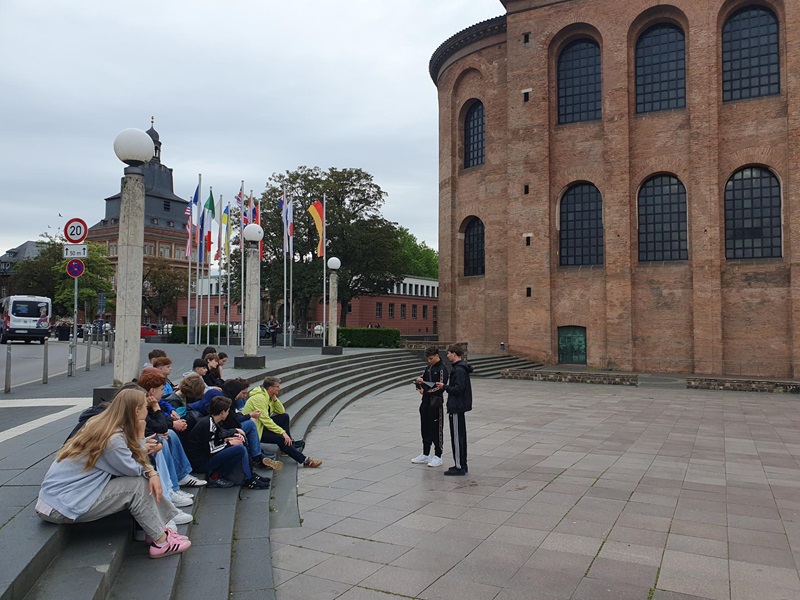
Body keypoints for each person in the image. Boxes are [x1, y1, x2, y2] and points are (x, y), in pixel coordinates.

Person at [35, 388, 192, 559]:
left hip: (58, 498)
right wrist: (142, 441)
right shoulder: (113, 439)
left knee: (141, 480)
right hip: (62, 505)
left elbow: (125, 457)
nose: (147, 412)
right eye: (145, 407)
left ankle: (159, 529)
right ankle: (161, 542)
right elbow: (134, 469)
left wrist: (141, 449)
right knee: (137, 485)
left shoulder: (101, 424)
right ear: (136, 411)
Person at [185, 396, 271, 490]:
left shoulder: (211, 420)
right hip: (201, 463)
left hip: (205, 457)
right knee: (239, 449)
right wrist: (229, 444)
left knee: (239, 443)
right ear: (222, 412)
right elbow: (211, 450)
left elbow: (216, 438)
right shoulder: (207, 424)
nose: (228, 413)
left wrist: (229, 439)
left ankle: (250, 475)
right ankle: (218, 477)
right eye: (228, 411)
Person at [244, 377, 322, 468]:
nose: (279, 388)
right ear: (270, 388)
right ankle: (304, 460)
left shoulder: (268, 397)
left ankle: (287, 447)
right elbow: (266, 420)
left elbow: (281, 411)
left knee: (284, 417)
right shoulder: (259, 398)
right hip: (256, 431)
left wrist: (275, 399)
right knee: (281, 438)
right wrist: (282, 432)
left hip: (261, 425)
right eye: (277, 386)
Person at [219, 378, 283, 472]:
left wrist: (275, 398)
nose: (244, 396)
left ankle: (259, 456)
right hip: (227, 430)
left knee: (251, 425)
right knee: (250, 425)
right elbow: (233, 421)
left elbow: (282, 411)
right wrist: (249, 416)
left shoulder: (230, 400)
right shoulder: (228, 402)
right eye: (242, 393)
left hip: (229, 428)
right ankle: (257, 458)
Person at [434, 344, 473, 476]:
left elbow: (458, 389)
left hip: (456, 407)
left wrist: (444, 387)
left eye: (449, 353)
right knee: (460, 436)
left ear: (454, 354)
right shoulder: (460, 368)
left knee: (457, 437)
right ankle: (462, 464)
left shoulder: (459, 370)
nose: (447, 355)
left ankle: (459, 466)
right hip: (458, 406)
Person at [411, 346, 448, 468]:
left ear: (437, 355)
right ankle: (425, 453)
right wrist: (419, 383)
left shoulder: (442, 369)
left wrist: (426, 392)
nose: (429, 361)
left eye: (431, 358)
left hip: (435, 403)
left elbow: (440, 387)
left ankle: (438, 455)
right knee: (425, 427)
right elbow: (423, 379)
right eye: (428, 359)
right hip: (425, 402)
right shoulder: (428, 368)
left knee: (436, 429)